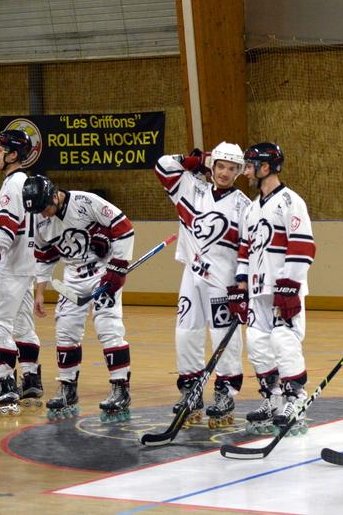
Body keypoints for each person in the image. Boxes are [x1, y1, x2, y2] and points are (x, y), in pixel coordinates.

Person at [155, 143, 252, 428]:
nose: (224, 173)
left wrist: (242, 286)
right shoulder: (191, 188)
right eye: (220, 166)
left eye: (232, 169)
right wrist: (192, 160)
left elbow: (248, 249)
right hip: (192, 276)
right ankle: (190, 391)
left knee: (224, 337)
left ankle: (225, 392)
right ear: (211, 166)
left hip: (224, 282)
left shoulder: (244, 206)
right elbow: (162, 165)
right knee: (186, 333)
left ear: (239, 172)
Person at [26, 174, 135, 423]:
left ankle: (120, 388)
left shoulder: (87, 202)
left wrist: (116, 270)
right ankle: (67, 388)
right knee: (65, 329)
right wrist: (40, 292)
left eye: (45, 208)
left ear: (55, 195)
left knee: (108, 326)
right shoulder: (39, 218)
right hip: (72, 278)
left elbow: (124, 228)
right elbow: (43, 257)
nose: (43, 215)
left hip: (101, 273)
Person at [237, 143, 315, 434]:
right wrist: (240, 285)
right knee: (257, 344)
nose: (246, 171)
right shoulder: (251, 208)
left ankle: (296, 399)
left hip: (283, 288)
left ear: (266, 167)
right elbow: (245, 249)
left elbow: (303, 245)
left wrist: (290, 286)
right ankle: (273, 397)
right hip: (258, 290)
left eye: (250, 165)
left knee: (284, 341)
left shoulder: (290, 201)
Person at [0, 130, 42, 416]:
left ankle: (6, 388)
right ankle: (30, 379)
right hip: (27, 267)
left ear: (12, 155)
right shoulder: (31, 184)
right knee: (22, 325)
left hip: (8, 270)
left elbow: (2, 238)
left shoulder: (10, 187)